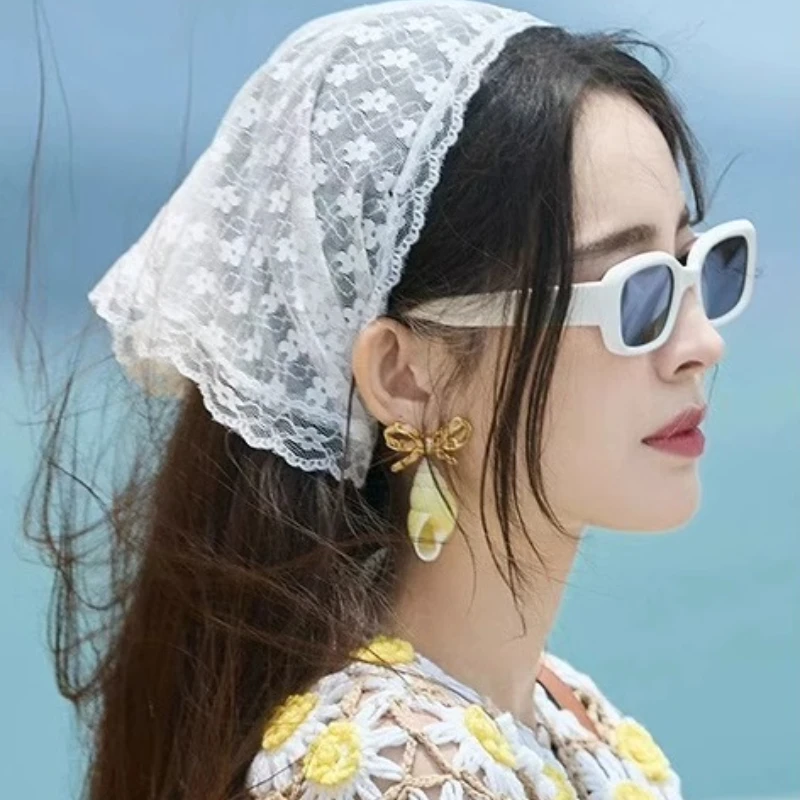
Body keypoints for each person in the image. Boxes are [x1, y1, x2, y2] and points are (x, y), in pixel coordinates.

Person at [17, 2, 757, 799]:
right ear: (406, 377)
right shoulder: (399, 769)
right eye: (639, 293)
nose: (701, 343)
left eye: (700, 266)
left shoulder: (557, 707)